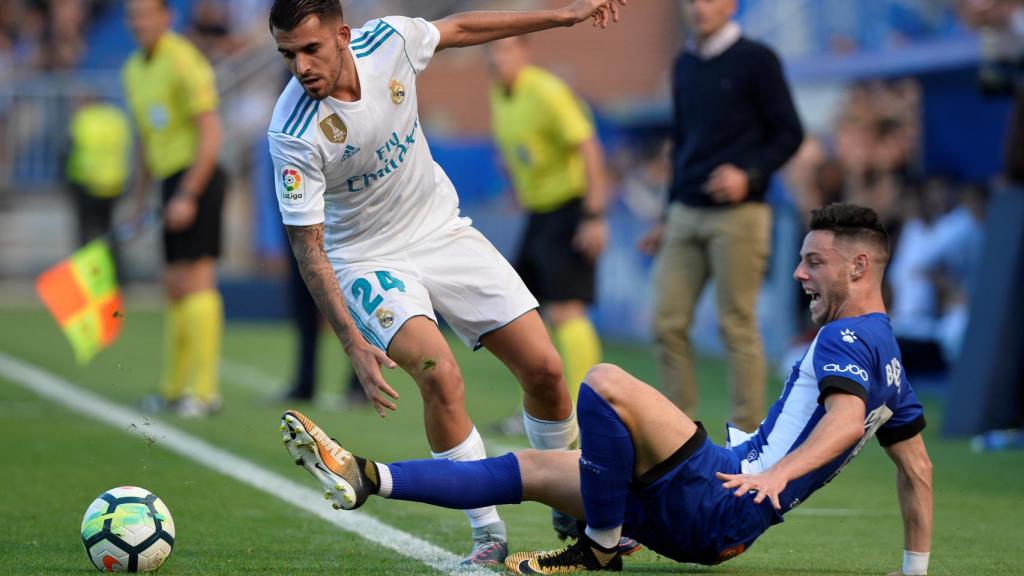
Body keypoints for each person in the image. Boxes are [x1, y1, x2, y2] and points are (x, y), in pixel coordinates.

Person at [281, 203, 933, 576]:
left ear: (859, 266)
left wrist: (776, 476)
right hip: (716, 519)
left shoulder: (845, 340)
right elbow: (919, 471)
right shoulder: (889, 357)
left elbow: (845, 423)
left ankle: (597, 544)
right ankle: (368, 476)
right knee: (535, 467)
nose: (798, 273)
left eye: (814, 262)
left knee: (603, 384)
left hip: (720, 490)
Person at [266, 0, 627, 565]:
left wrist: (560, 16)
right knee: (440, 374)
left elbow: (462, 27)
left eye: (311, 49)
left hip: (441, 230)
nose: (302, 66)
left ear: (342, 34)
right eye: (288, 55)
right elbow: (308, 248)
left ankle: (570, 493)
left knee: (547, 369)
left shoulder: (388, 42)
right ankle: (487, 535)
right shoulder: (292, 133)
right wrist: (353, 343)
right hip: (367, 259)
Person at [638, 0, 804, 432]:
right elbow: (682, 142)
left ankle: (747, 436)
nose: (699, 7)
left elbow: (790, 133)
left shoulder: (756, 60)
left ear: (731, 5)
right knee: (666, 323)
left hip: (740, 214)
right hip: (684, 212)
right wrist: (663, 215)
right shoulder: (684, 65)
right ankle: (678, 435)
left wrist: (748, 177)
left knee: (736, 325)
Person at [487, 36, 609, 405]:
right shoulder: (500, 94)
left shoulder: (547, 91)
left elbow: (588, 146)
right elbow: (517, 151)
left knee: (566, 308)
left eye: (505, 49)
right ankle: (545, 405)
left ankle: (585, 403)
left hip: (570, 208)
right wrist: (516, 184)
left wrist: (594, 215)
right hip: (539, 213)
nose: (496, 57)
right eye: (490, 50)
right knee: (520, 309)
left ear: (525, 52)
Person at [125, 0, 228, 418]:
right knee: (173, 285)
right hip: (169, 181)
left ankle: (204, 393)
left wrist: (188, 193)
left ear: (166, 17)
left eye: (147, 14)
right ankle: (172, 388)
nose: (140, 22)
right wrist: (140, 199)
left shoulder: (184, 61)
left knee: (198, 280)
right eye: (133, 16)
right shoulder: (133, 70)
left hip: (198, 176)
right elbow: (146, 142)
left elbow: (210, 132)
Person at [65, 96, 132, 278]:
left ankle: (86, 276)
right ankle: (117, 274)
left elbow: (71, 149)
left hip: (88, 183)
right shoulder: (117, 119)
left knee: (86, 234)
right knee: (110, 233)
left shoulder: (83, 120)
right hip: (114, 184)